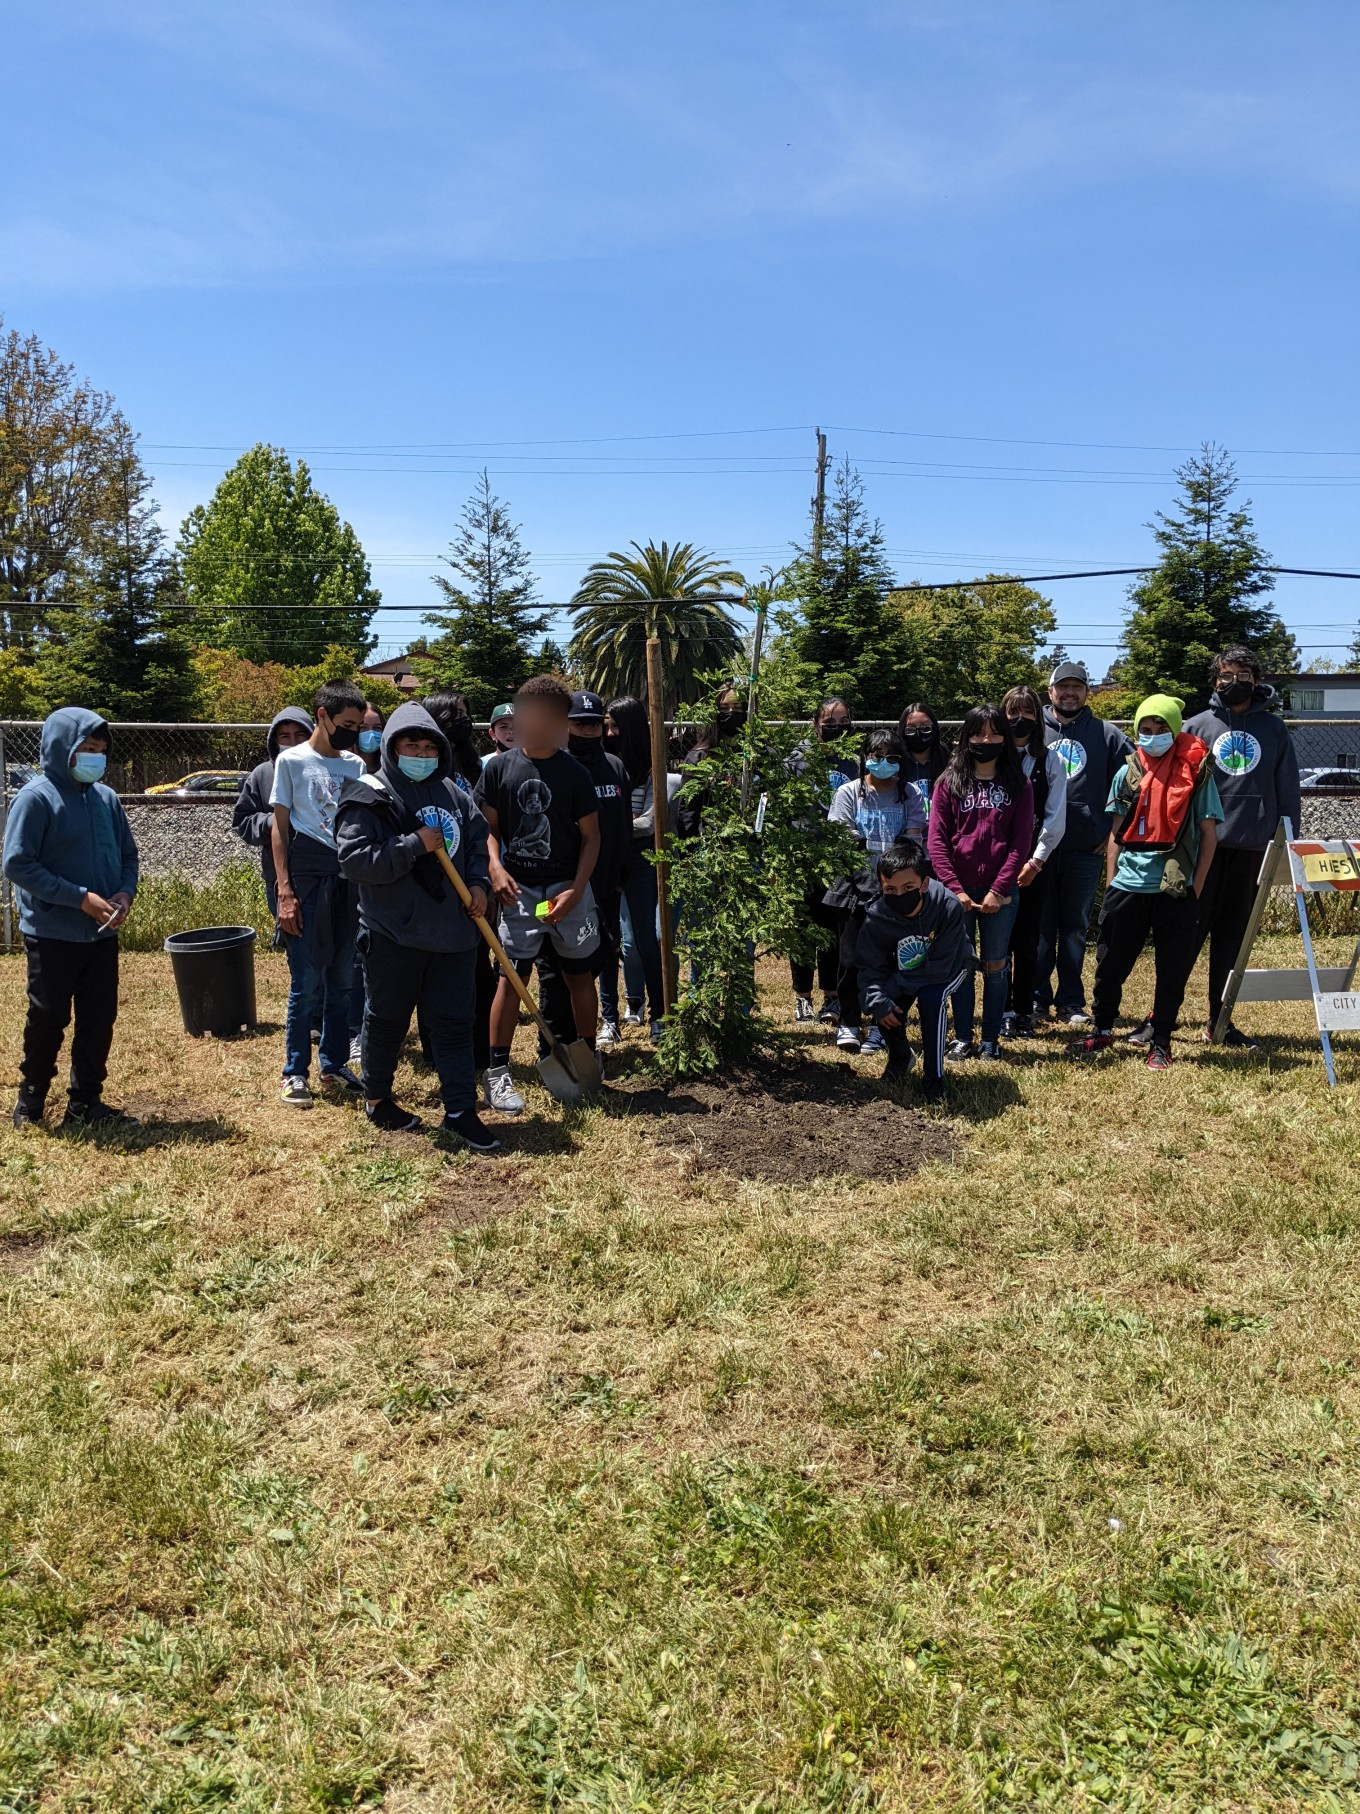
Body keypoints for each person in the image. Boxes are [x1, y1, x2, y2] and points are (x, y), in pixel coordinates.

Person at [335, 702, 500, 1151]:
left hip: (455, 934)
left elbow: (474, 848)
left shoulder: (454, 793)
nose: (422, 754)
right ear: (392, 746)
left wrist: (479, 884)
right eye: (412, 745)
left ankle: (460, 1110)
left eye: (430, 747)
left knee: (453, 1022)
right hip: (393, 932)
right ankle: (377, 1097)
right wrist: (412, 845)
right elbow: (354, 862)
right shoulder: (370, 794)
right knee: (387, 1019)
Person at [1125, 645, 1300, 1050]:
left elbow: (1287, 789)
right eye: (1224, 675)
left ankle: (1220, 1021)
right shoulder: (1197, 726)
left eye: (1242, 675)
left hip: (1254, 848)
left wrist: (1289, 840)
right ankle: (1159, 1018)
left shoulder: (1274, 729)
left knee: (1231, 941)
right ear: (1214, 681)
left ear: (1256, 681)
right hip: (1200, 850)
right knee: (1183, 937)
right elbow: (1172, 784)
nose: (1233, 683)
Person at [3, 707, 139, 1132]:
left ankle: (86, 1101)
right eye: (86, 749)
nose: (95, 758)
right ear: (62, 749)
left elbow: (129, 856)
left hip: (101, 933)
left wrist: (124, 893)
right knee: (48, 1016)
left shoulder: (106, 799)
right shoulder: (36, 798)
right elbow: (18, 864)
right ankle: (31, 1100)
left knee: (99, 1016)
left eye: (101, 751)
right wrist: (80, 899)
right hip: (52, 933)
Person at [1070, 694, 1222, 1072]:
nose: (1152, 737)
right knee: (1110, 964)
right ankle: (1103, 1027)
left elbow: (1209, 835)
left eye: (1161, 730)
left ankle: (1162, 1041)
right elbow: (1115, 834)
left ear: (1175, 730)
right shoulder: (1127, 773)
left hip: (1174, 888)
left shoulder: (1196, 771)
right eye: (1145, 730)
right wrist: (1113, 882)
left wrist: (1196, 887)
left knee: (1171, 970)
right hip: (1129, 886)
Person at [474, 676, 601, 1115]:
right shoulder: (498, 769)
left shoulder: (575, 775)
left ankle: (588, 1055)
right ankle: (497, 1071)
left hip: (567, 890)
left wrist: (576, 889)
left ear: (563, 723)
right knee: (511, 978)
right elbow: (487, 830)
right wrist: (495, 867)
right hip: (519, 892)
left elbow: (591, 838)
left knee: (578, 976)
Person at [270, 680, 368, 1108]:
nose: (353, 733)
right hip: (307, 878)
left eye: (359, 725)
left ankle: (334, 1062)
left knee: (343, 979)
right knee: (306, 981)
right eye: (347, 724)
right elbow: (279, 828)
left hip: (347, 878)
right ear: (323, 716)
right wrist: (285, 889)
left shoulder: (356, 766)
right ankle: (295, 1071)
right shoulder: (291, 761)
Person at [927, 704, 1033, 1060]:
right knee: (960, 964)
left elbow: (1020, 844)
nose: (986, 740)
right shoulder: (948, 783)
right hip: (957, 893)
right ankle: (962, 1036)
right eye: (978, 733)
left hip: (999, 895)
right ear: (966, 736)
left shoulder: (1019, 784)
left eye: (994, 733)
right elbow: (936, 842)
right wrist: (953, 889)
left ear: (1004, 737)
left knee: (996, 965)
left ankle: (990, 1038)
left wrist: (998, 888)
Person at [1034, 661, 1133, 1027]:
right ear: (1051, 692)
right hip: (1041, 852)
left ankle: (1072, 1001)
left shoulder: (1106, 734)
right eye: (1063, 687)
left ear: (1086, 692)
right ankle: (1037, 999)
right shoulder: (1033, 730)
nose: (1070, 693)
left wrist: (1112, 831)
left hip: (1085, 850)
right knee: (1041, 931)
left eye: (1077, 687)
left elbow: (1135, 779)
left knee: (1074, 929)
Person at [825, 729, 927, 1053]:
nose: (883, 763)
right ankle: (849, 1021)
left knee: (892, 962)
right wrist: (867, 883)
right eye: (876, 756)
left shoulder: (909, 794)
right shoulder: (848, 793)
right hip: (854, 888)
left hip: (897, 892)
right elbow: (843, 840)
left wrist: (889, 886)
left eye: (892, 758)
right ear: (865, 757)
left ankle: (881, 1027)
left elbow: (912, 842)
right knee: (851, 958)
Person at [541, 690, 631, 1049]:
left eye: (595, 724)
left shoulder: (615, 766)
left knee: (598, 961)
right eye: (580, 724)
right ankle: (555, 1043)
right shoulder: (555, 767)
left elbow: (622, 826)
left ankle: (589, 1038)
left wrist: (620, 876)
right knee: (556, 969)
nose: (589, 731)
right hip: (561, 890)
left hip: (606, 887)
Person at [856, 840, 972, 1106]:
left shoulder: (948, 906)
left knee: (932, 1000)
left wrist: (896, 984)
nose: (899, 895)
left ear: (924, 883)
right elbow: (868, 966)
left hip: (951, 967)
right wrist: (878, 999)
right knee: (884, 1002)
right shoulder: (876, 917)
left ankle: (934, 1079)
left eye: (908, 887)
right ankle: (900, 1057)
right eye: (890, 889)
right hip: (907, 971)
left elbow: (943, 966)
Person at [420, 692, 496, 1083]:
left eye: (468, 714)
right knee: (434, 975)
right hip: (433, 886)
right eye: (456, 715)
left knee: (478, 970)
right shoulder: (421, 770)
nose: (464, 722)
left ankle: (480, 1050)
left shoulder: (470, 765)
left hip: (472, 880)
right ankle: (435, 1049)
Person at [604, 694, 678, 1040]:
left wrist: (615, 823)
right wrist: (621, 822)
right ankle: (610, 1017)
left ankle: (659, 1015)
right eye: (606, 726)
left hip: (641, 860)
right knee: (609, 940)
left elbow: (651, 822)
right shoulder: (600, 763)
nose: (609, 732)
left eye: (615, 726)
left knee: (648, 940)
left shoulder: (652, 768)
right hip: (603, 858)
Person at [1000, 685, 1068, 1039]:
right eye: (1012, 712)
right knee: (999, 943)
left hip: (1033, 867)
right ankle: (1003, 1009)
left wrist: (1036, 861)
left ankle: (1024, 1011)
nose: (1020, 719)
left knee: (1027, 941)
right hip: (996, 865)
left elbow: (1056, 817)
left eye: (1027, 712)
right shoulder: (992, 757)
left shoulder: (1050, 759)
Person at [791, 698, 859, 1025]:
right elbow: (780, 804)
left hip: (839, 857)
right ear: (816, 723)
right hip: (802, 856)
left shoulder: (854, 759)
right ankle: (802, 997)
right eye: (830, 721)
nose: (837, 727)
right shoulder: (797, 757)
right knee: (804, 928)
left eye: (844, 721)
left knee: (833, 929)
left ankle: (831, 996)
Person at [232, 708, 313, 920]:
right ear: (275, 741)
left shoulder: (323, 771)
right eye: (285, 736)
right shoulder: (262, 774)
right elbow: (243, 821)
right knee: (289, 935)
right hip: (277, 875)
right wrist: (275, 822)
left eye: (300, 735)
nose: (293, 742)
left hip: (319, 871)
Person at [897, 702, 950, 824]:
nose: (918, 733)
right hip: (905, 832)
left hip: (939, 830)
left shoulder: (947, 760)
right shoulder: (894, 763)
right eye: (910, 729)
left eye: (925, 728)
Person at [357, 704, 385, 776]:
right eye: (363, 727)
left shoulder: (388, 767)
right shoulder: (344, 765)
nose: (371, 733)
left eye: (377, 727)